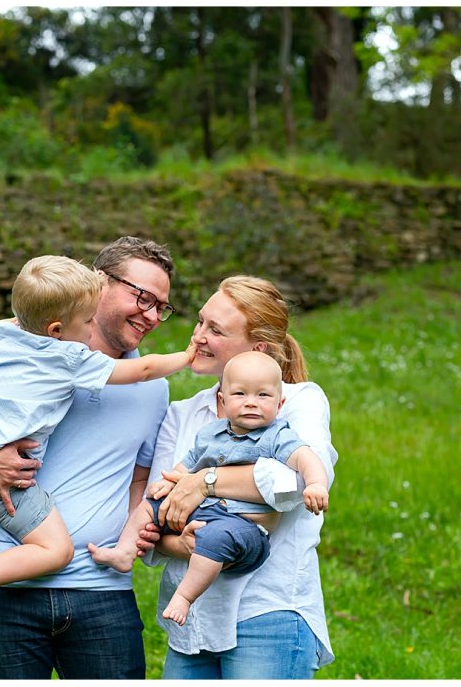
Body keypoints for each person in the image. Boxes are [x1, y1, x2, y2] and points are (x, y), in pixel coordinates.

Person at [0, 254, 194, 679]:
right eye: (141, 296)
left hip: (101, 593)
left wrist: (134, 533)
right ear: (100, 283)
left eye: (161, 306)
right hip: (1, 590)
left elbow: (139, 477)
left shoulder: (153, 389)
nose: (151, 314)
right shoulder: (21, 349)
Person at [139, 275, 338, 679]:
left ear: (258, 349)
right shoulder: (184, 413)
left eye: (216, 330)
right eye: (199, 323)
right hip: (189, 622)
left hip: (267, 613)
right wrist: (186, 542)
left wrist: (203, 481)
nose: (198, 337)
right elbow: (155, 519)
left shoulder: (296, 402)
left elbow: (296, 484)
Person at [89, 351, 328, 626]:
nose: (252, 403)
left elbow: (306, 458)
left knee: (215, 538)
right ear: (223, 401)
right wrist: (168, 482)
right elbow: (186, 465)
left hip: (244, 526)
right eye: (240, 395)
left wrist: (316, 483)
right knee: (151, 504)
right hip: (202, 514)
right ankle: (124, 552)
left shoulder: (277, 436)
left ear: (279, 402)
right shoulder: (210, 434)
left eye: (263, 396)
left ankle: (185, 597)